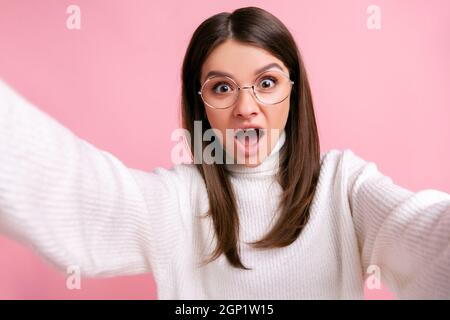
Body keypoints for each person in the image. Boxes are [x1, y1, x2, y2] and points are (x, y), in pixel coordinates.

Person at [0, 6, 449, 300]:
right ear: (202, 105)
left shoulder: (344, 187)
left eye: (267, 83)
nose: (246, 107)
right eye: (222, 88)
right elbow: (70, 187)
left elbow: (423, 233)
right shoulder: (177, 202)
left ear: (294, 93)